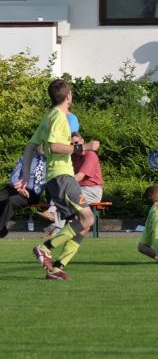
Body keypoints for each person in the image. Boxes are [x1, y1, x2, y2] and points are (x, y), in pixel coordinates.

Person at [16, 78, 100, 281]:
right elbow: (54, 146)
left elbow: (30, 147)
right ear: (68, 96)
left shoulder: (48, 117)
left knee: (83, 225)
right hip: (62, 176)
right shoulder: (60, 118)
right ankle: (44, 248)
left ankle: (56, 267)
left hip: (56, 178)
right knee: (89, 218)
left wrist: (26, 175)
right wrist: (84, 147)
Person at [0, 146, 46, 238]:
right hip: (16, 187)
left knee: (11, 201)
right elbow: (14, 175)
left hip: (31, 193)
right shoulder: (25, 158)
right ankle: (2, 228)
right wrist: (19, 188)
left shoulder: (52, 162)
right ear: (36, 146)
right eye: (41, 144)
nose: (43, 147)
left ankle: (0, 229)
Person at [71, 132, 103, 204]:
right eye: (71, 144)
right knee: (60, 196)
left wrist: (63, 184)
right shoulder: (73, 157)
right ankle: (52, 213)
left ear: (82, 141)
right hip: (79, 189)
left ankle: (52, 213)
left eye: (76, 143)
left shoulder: (90, 155)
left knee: (68, 197)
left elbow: (79, 176)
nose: (74, 146)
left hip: (92, 191)